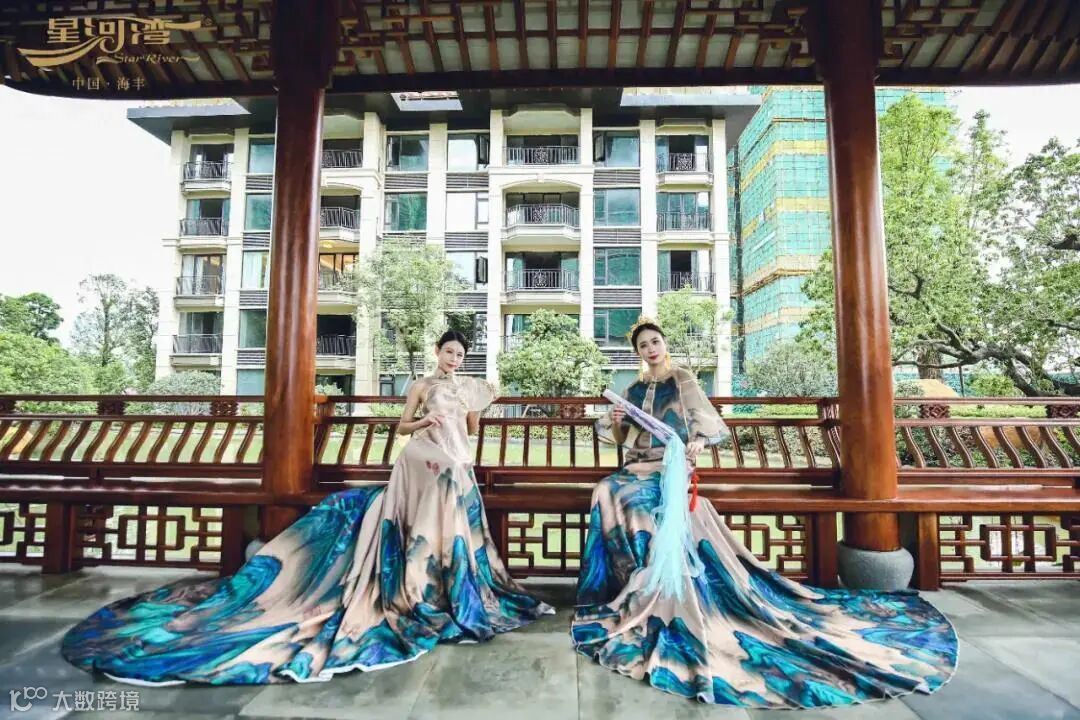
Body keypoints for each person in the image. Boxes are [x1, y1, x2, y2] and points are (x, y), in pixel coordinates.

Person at [61, 330, 553, 685]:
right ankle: (414, 582)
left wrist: (474, 410)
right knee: (423, 514)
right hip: (421, 458)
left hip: (456, 462)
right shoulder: (420, 387)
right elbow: (400, 428)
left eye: (460, 354)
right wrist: (424, 425)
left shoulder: (469, 387)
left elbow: (471, 430)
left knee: (455, 521)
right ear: (437, 353)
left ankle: (449, 583)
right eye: (449, 352)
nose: (454, 359)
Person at [571, 318, 958, 709]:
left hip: (672, 467)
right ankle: (622, 585)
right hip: (637, 467)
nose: (651, 349)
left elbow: (705, 425)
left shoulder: (682, 379)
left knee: (646, 507)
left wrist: (697, 444)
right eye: (643, 346)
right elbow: (622, 439)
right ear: (638, 353)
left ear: (664, 344)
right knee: (606, 490)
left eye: (655, 342)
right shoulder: (633, 390)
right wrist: (617, 424)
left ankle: (663, 589)